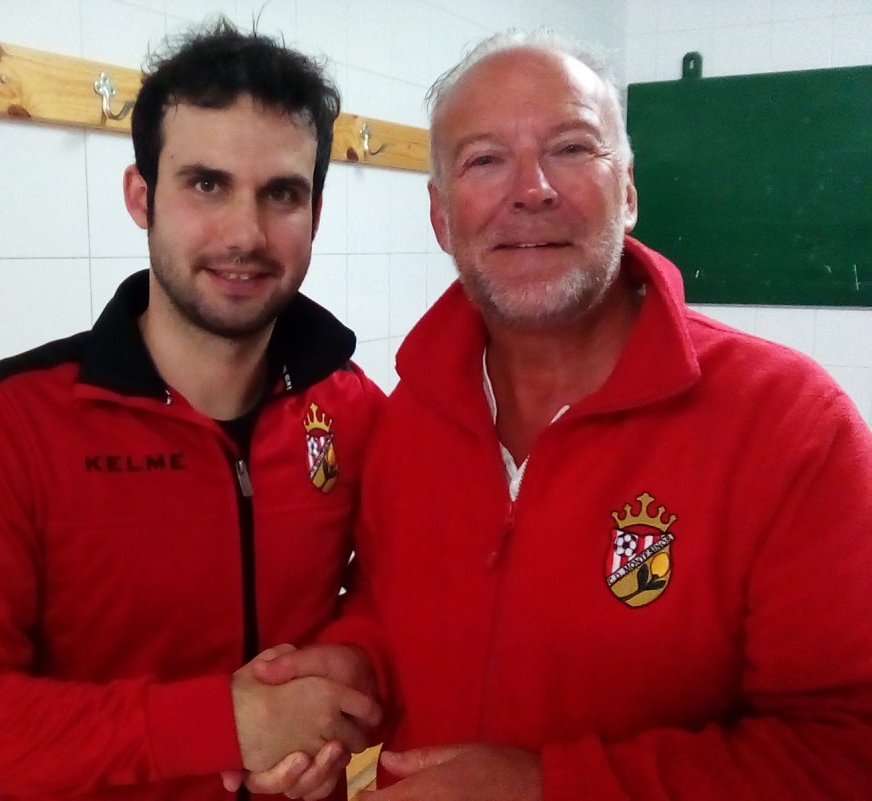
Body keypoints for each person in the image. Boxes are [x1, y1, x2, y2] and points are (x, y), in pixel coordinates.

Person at [239, 29, 872, 801]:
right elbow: (392, 601)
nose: (531, 188)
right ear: (441, 217)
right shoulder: (410, 414)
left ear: (629, 190)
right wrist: (354, 668)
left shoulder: (793, 427)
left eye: (572, 148)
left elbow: (845, 753)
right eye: (483, 159)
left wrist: (548, 786)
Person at [0, 19, 384, 801]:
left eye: (281, 193)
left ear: (315, 215)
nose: (245, 234)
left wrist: (339, 680)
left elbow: (392, 589)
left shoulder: (351, 405)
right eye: (206, 184)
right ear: (141, 196)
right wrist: (218, 723)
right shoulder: (14, 419)